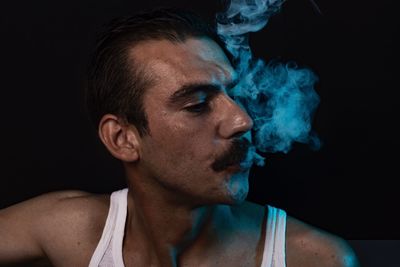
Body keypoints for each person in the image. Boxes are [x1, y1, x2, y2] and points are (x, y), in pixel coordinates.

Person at [0, 7, 359, 267]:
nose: (242, 120)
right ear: (122, 138)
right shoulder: (70, 231)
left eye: (233, 95)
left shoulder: (313, 259)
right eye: (198, 105)